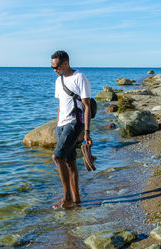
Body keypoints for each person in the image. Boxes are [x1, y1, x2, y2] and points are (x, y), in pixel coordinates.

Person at [50, 50, 92, 209]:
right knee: (70, 161)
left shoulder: (79, 77)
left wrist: (87, 132)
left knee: (57, 157)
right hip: (61, 124)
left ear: (66, 63)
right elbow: (61, 105)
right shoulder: (58, 81)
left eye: (57, 67)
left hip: (75, 121)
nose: (55, 70)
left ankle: (67, 197)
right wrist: (57, 125)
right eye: (52, 67)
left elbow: (87, 106)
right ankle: (76, 200)